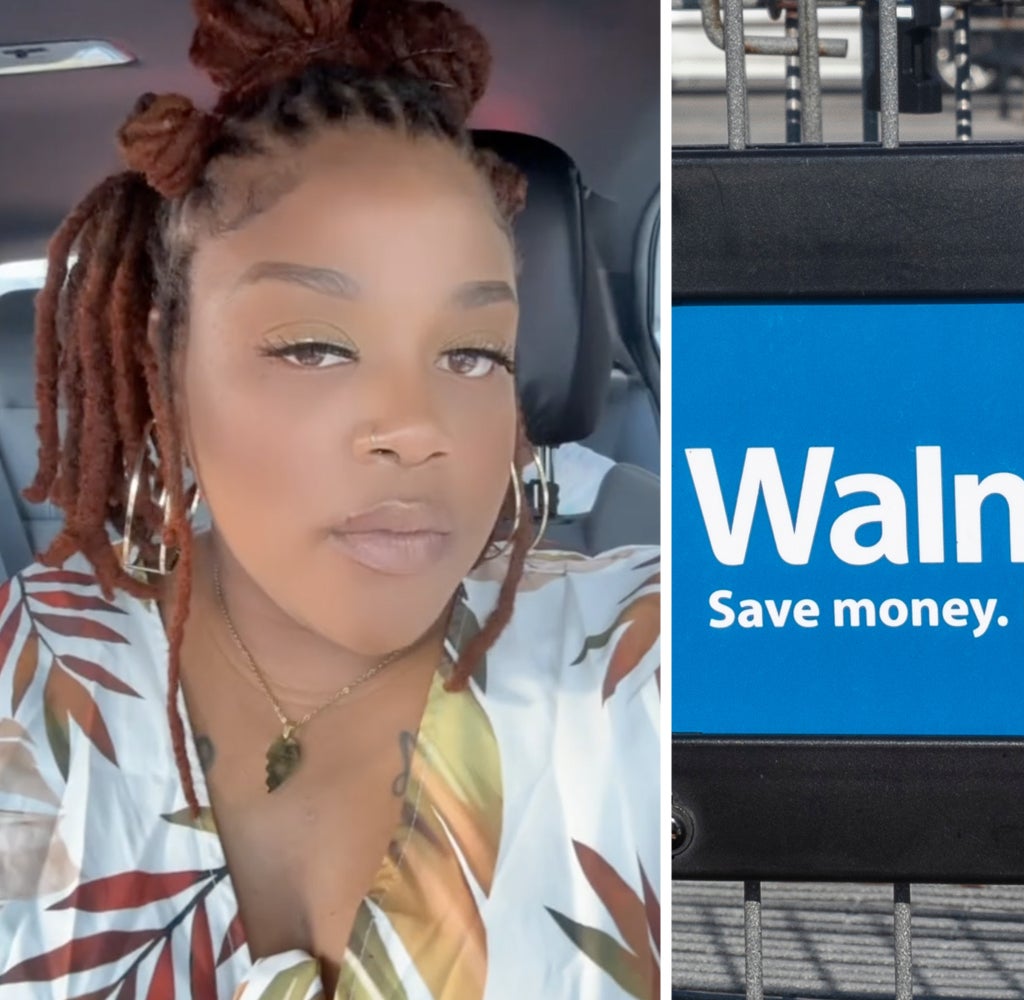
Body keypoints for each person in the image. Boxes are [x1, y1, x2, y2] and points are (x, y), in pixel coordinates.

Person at [0, 2, 660, 997]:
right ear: (167, 367)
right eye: (314, 345)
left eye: (472, 353)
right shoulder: (29, 681)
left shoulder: (638, 659)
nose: (417, 424)